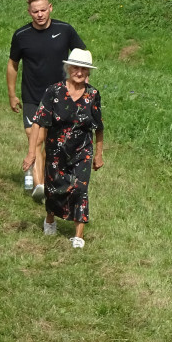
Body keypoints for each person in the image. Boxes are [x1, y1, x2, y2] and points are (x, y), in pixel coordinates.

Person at [7, 0, 86, 199]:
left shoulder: (65, 30)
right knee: (36, 137)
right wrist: (11, 94)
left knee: (53, 142)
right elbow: (13, 65)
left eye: (43, 10)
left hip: (60, 96)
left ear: (50, 8)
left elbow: (82, 57)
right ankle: (40, 186)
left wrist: (81, 85)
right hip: (33, 95)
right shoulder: (21, 35)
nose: (40, 15)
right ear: (29, 12)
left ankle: (42, 175)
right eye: (35, 11)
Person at [22, 49, 104, 249]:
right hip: (56, 150)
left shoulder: (92, 95)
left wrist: (99, 154)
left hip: (82, 151)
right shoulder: (54, 91)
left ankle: (78, 236)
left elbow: (98, 127)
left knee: (80, 188)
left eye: (84, 69)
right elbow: (38, 122)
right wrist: (32, 152)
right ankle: (50, 218)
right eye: (75, 67)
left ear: (88, 72)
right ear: (68, 68)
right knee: (54, 189)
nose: (79, 72)